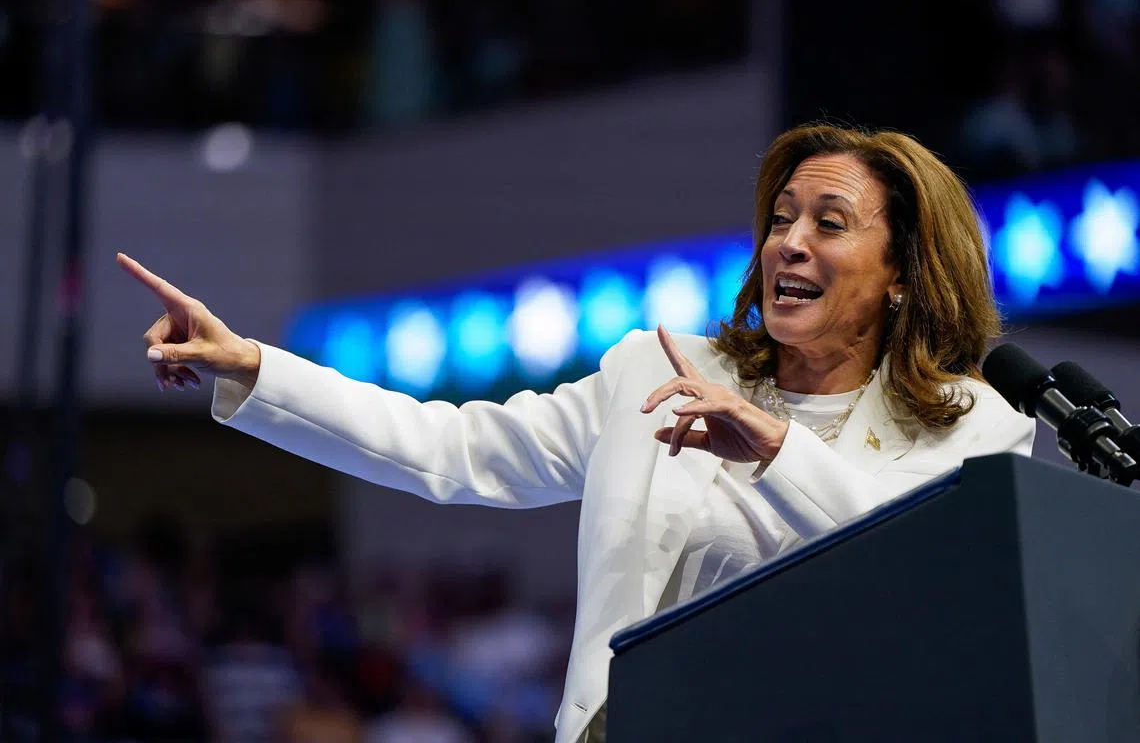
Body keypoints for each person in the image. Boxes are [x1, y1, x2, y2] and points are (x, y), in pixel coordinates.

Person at [118, 123, 1035, 743]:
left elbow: (929, 590)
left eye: (829, 224)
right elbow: (448, 449)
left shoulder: (975, 425)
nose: (788, 242)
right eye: (782, 217)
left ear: (904, 274)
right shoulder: (662, 371)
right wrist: (253, 367)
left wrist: (778, 450)